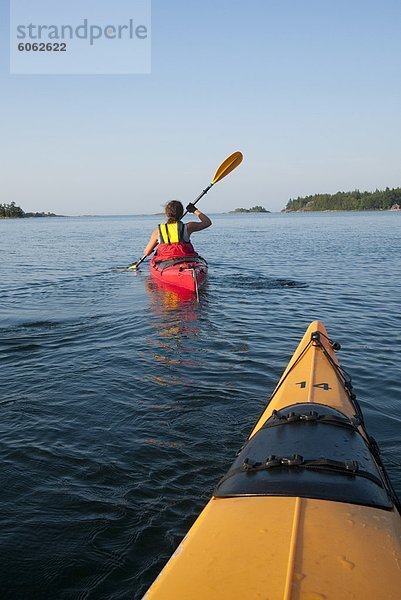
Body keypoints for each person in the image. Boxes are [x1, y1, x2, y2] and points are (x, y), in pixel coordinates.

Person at [143, 200, 212, 262]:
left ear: (167, 214)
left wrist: (156, 245)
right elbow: (207, 222)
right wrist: (194, 210)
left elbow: (147, 252)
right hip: (187, 260)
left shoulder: (159, 231)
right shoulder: (188, 227)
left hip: (166, 262)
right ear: (181, 213)